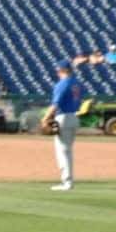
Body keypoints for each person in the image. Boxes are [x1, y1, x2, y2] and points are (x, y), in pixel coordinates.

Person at [41, 60, 84, 191]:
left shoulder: (62, 84)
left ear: (63, 70)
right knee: (67, 150)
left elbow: (55, 105)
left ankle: (67, 182)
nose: (57, 72)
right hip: (74, 117)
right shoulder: (77, 84)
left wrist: (45, 118)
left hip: (62, 118)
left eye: (58, 70)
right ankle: (68, 180)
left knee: (62, 151)